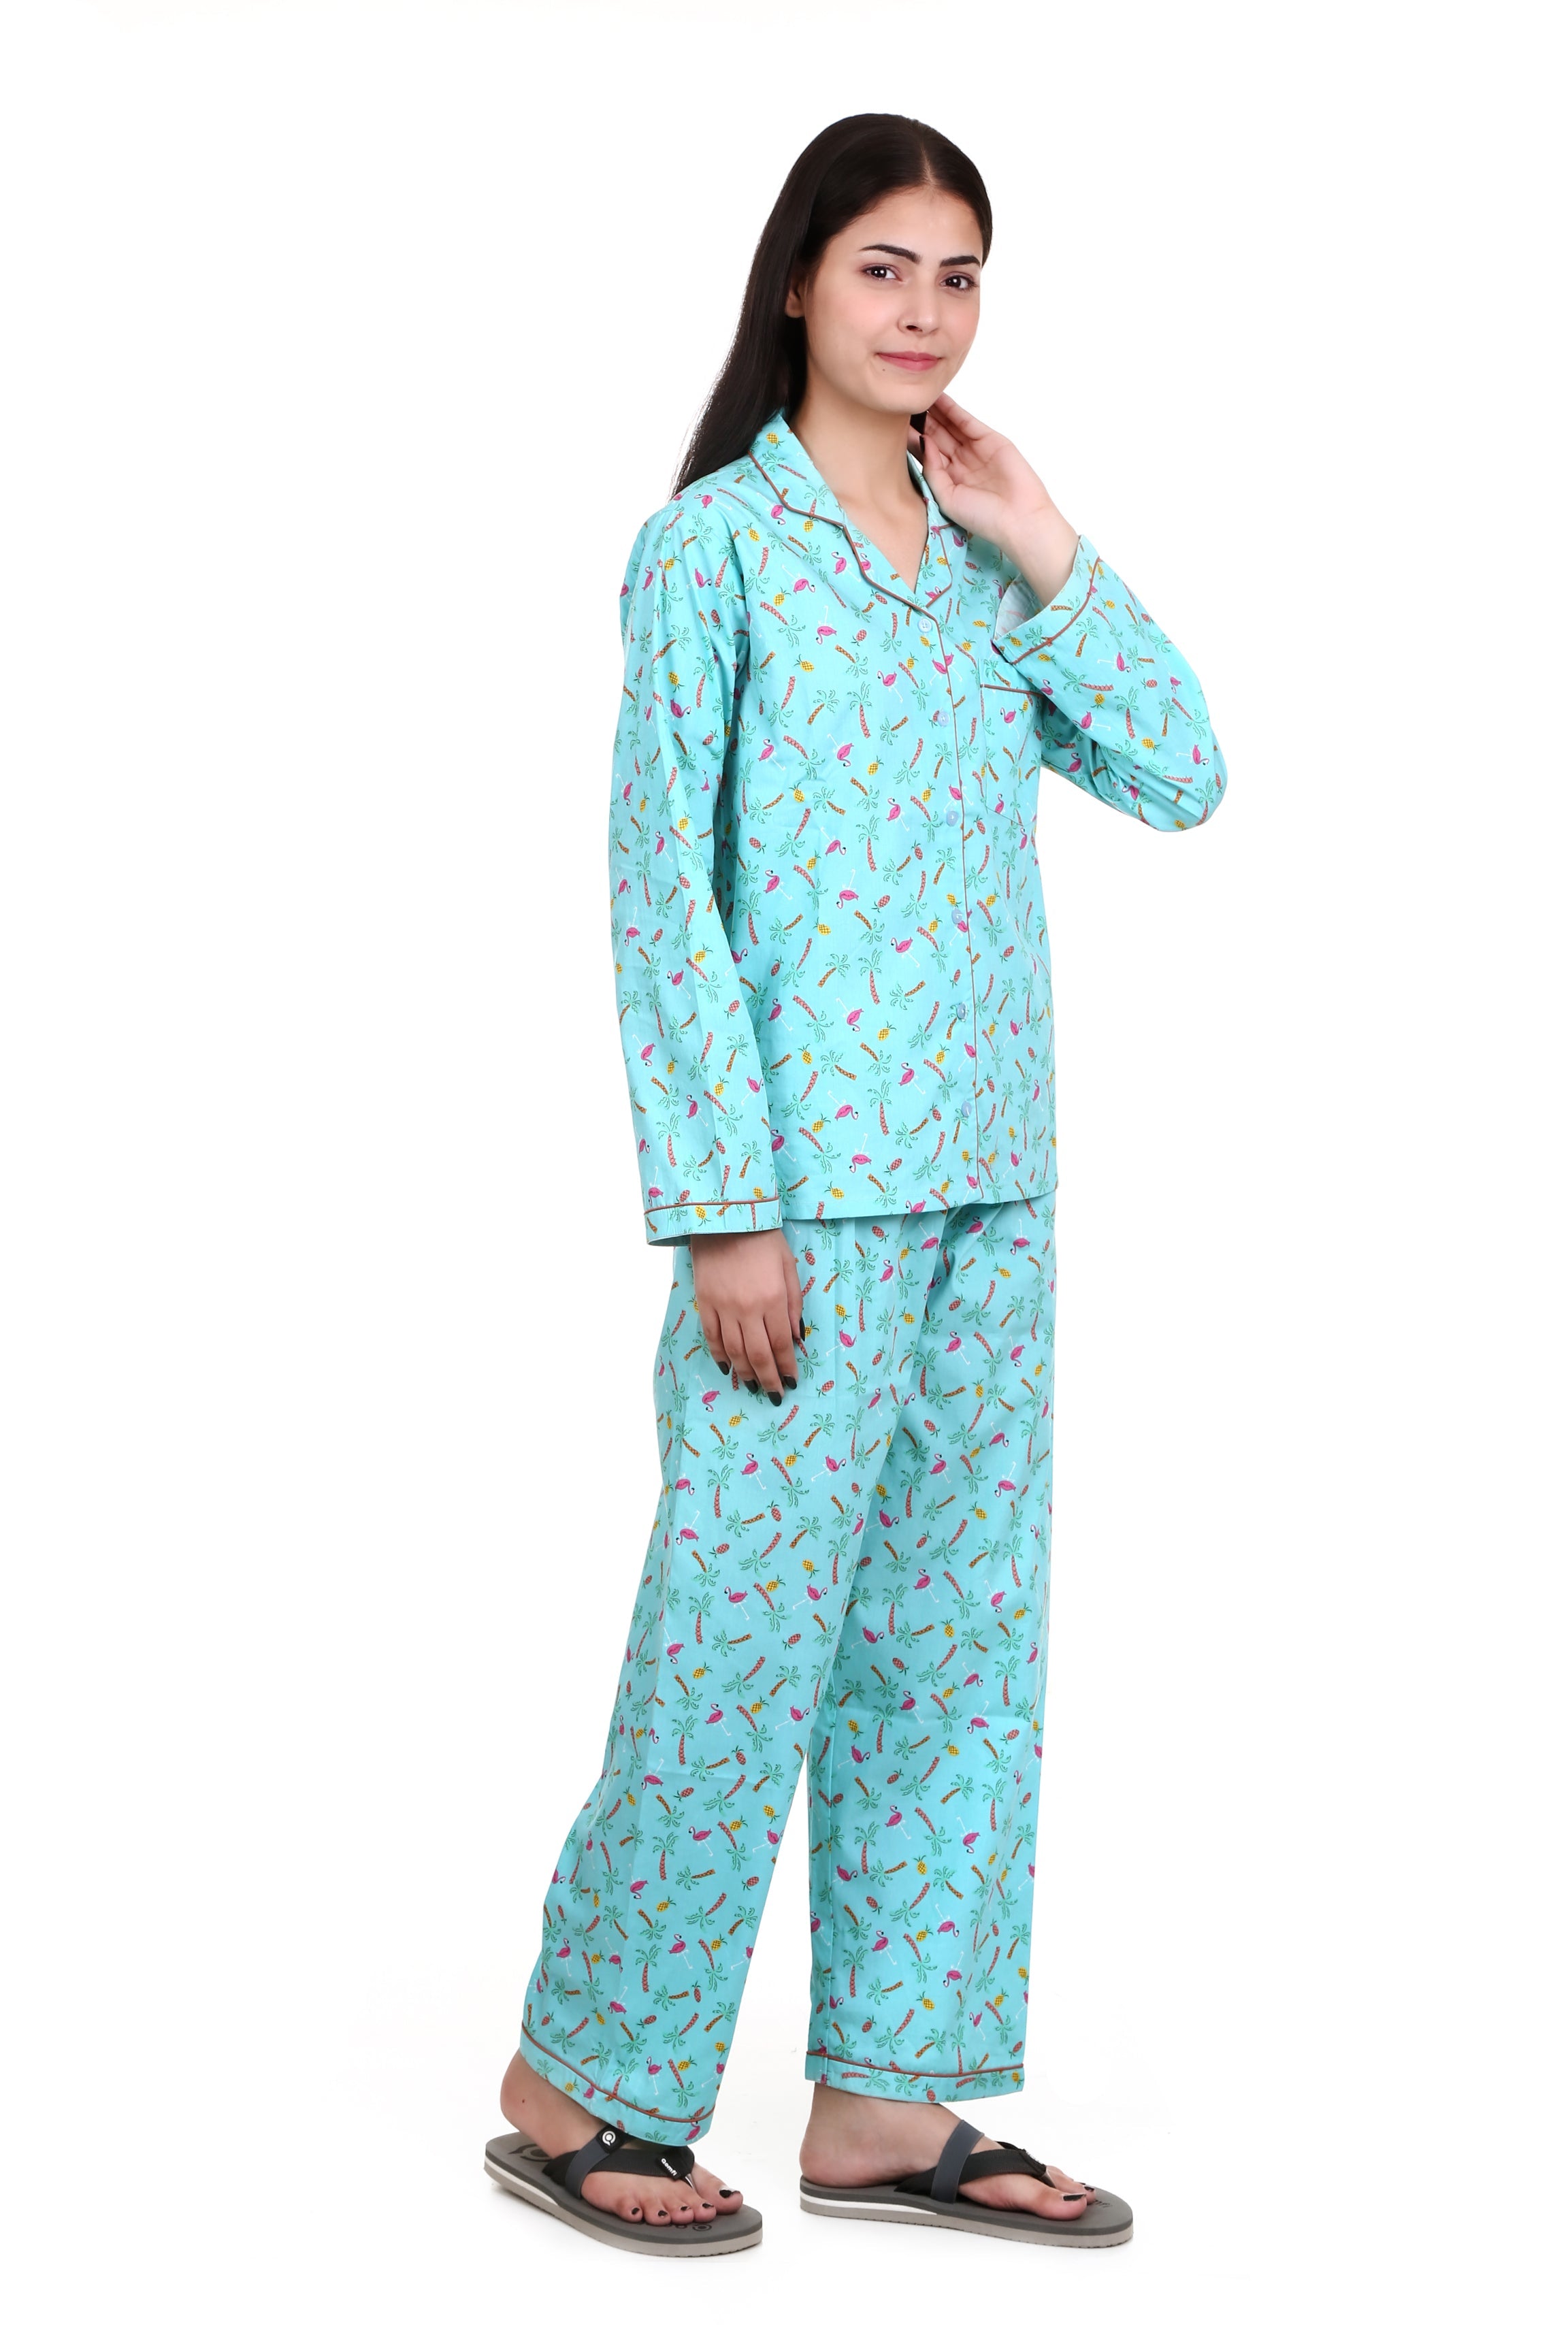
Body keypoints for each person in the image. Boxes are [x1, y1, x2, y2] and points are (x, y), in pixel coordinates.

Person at [483, 112, 1225, 2257]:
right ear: (800, 279)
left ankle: (890, 2105)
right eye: (886, 266)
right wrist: (723, 1206)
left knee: (959, 1650)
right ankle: (578, 2078)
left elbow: (1184, 771)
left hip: (999, 1186)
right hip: (799, 1209)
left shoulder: (981, 557)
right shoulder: (711, 549)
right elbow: (665, 897)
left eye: (960, 275)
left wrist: (1048, 536)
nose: (925, 311)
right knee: (733, 1645)